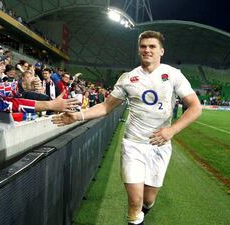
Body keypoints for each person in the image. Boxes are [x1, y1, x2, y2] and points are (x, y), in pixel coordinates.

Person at [52, 30, 202, 225]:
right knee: (135, 200)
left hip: (159, 146)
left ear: (161, 51)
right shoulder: (128, 78)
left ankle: (140, 215)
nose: (147, 50)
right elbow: (106, 106)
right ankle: (135, 216)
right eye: (143, 46)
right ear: (139, 49)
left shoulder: (173, 75)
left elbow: (195, 107)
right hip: (133, 145)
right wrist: (78, 116)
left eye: (152, 46)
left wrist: (171, 130)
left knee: (148, 200)